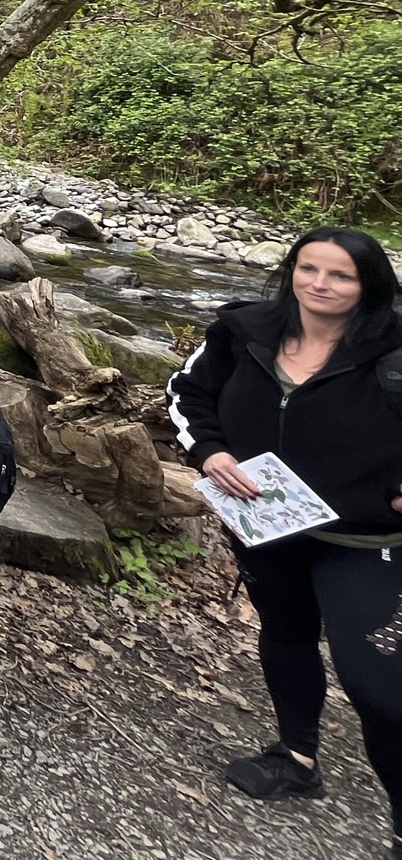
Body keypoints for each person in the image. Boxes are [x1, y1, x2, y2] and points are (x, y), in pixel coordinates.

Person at [167, 227, 402, 853]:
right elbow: (188, 393)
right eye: (308, 268)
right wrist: (210, 452)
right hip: (266, 524)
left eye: (341, 275)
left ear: (369, 284)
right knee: (287, 633)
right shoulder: (244, 330)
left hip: (362, 538)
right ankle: (297, 756)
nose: (319, 284)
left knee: (378, 684)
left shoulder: (393, 348)